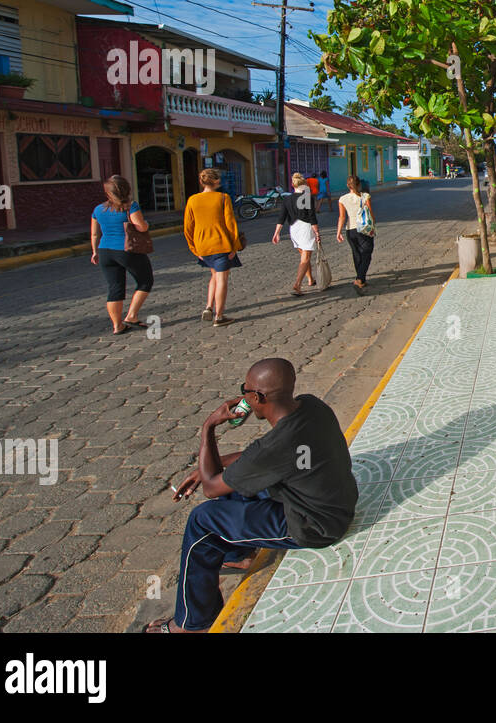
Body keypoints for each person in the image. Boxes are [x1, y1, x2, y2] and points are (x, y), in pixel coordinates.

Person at [145, 358, 359, 633]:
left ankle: (193, 622)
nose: (244, 395)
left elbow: (211, 488)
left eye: (245, 390)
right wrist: (218, 462)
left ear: (256, 397)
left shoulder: (276, 445)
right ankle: (238, 553)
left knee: (202, 521)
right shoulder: (311, 405)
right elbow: (262, 461)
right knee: (240, 490)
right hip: (335, 500)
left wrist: (208, 427)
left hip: (315, 526)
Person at [89, 175, 153, 334]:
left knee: (115, 287)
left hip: (105, 251)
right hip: (126, 250)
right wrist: (146, 225)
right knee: (145, 281)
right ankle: (131, 316)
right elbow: (141, 227)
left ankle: (117, 326)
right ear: (126, 189)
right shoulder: (130, 206)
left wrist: (95, 251)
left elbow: (95, 234)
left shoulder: (98, 209)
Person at [184, 168, 242, 327]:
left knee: (214, 276)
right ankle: (220, 316)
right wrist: (234, 246)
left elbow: (188, 227)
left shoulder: (192, 200)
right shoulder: (223, 198)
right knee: (222, 279)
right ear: (216, 181)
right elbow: (231, 224)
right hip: (221, 244)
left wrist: (194, 248)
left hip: (203, 245)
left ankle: (209, 307)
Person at [274, 172, 321, 295]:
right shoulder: (307, 197)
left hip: (293, 229)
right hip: (305, 228)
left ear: (292, 184)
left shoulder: (287, 199)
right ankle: (297, 285)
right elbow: (312, 217)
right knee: (305, 258)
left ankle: (310, 279)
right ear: (304, 184)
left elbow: (281, 217)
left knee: (304, 256)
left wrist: (277, 233)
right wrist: (317, 232)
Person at [336, 175, 376, 291]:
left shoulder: (342, 199)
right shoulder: (365, 196)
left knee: (357, 254)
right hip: (364, 228)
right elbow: (370, 213)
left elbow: (342, 217)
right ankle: (359, 278)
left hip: (350, 230)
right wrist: (373, 225)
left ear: (347, 185)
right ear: (359, 185)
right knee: (367, 253)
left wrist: (338, 232)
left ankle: (361, 279)